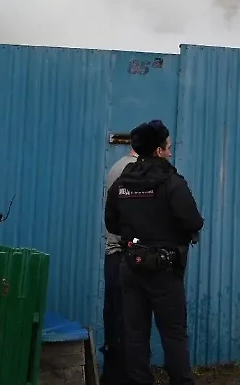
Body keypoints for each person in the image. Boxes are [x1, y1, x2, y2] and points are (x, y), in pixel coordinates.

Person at [105, 120, 204, 385]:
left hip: (131, 265)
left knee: (135, 334)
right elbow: (194, 222)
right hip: (164, 269)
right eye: (168, 147)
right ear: (158, 151)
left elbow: (111, 223)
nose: (170, 152)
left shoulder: (122, 182)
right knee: (173, 334)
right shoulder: (172, 182)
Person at [101, 147, 138, 385]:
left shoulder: (118, 167)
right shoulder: (129, 171)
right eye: (166, 147)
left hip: (115, 255)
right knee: (125, 321)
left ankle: (113, 376)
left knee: (115, 318)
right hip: (123, 255)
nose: (168, 153)